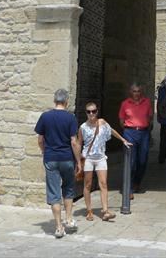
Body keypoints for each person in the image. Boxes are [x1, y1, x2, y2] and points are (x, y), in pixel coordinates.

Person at [34, 88, 81, 238]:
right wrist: (79, 161)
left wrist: (44, 151)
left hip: (51, 159)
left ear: (55, 100)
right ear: (66, 101)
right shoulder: (70, 118)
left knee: (54, 192)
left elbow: (40, 139)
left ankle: (59, 227)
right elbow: (74, 142)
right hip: (67, 158)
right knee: (68, 189)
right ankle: (68, 219)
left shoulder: (45, 117)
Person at [78, 101, 132, 221]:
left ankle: (105, 210)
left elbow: (112, 131)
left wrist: (123, 140)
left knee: (103, 183)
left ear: (97, 111)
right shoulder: (83, 127)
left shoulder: (102, 122)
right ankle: (89, 211)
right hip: (88, 158)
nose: (91, 114)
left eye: (93, 111)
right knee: (88, 185)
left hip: (101, 157)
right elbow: (79, 143)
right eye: (89, 112)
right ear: (86, 113)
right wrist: (78, 161)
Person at [119, 83, 153, 198]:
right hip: (130, 132)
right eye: (134, 91)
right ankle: (129, 188)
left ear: (141, 92)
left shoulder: (147, 102)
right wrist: (128, 131)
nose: (136, 93)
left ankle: (137, 182)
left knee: (142, 161)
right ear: (130, 92)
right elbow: (121, 120)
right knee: (131, 162)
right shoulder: (125, 104)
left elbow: (149, 117)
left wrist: (145, 128)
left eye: (138, 91)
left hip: (143, 133)